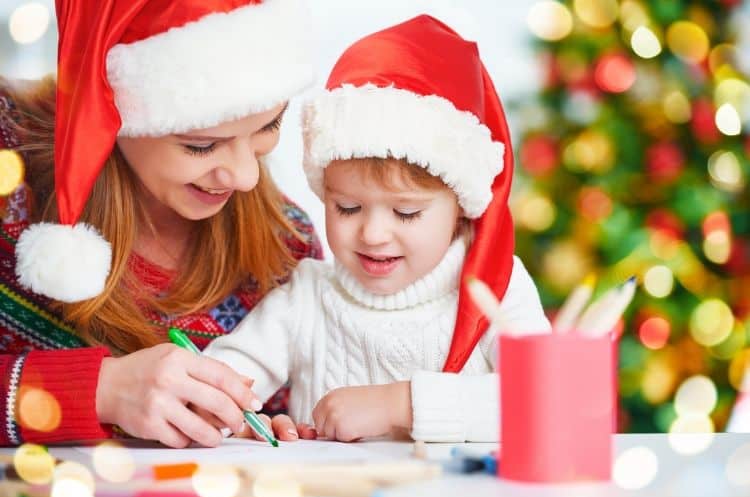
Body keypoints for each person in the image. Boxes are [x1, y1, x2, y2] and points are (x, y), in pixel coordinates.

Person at [203, 15, 551, 443]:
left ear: (461, 209)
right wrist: (227, 413)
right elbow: (220, 383)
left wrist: (401, 405)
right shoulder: (307, 296)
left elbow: (547, 399)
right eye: (347, 207)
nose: (372, 234)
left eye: (405, 214)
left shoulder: (494, 289)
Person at [0, 0, 323, 448]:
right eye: (201, 145)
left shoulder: (287, 242)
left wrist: (252, 420)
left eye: (270, 125)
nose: (247, 178)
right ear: (110, 101)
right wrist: (99, 391)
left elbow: (273, 414)